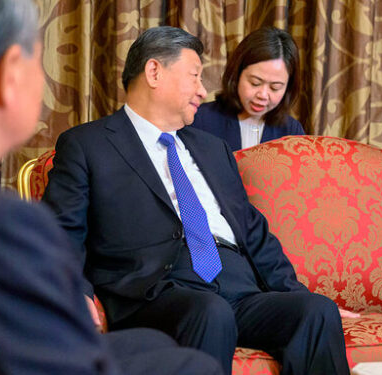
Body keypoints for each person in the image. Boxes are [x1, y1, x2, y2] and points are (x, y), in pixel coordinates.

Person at [42, 26, 350, 375]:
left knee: (315, 311)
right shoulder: (88, 145)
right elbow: (59, 232)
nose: (203, 91)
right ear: (154, 72)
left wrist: (295, 291)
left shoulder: (211, 148)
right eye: (195, 76)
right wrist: (73, 292)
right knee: (209, 312)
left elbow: (252, 229)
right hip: (155, 291)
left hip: (238, 286)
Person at [0, 1, 222, 374]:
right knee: (195, 366)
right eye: (38, 63)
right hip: (131, 297)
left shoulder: (209, 148)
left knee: (153, 343)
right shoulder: (1, 221)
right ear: (10, 74)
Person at [192, 26, 304, 151]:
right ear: (237, 75)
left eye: (275, 87)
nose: (263, 95)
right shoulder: (201, 120)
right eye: (255, 83)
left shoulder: (291, 131)